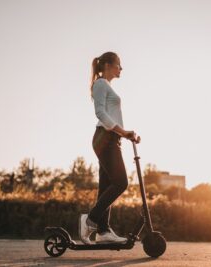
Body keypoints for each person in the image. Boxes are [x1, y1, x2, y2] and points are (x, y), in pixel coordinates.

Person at [79, 52, 139, 244]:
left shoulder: (106, 86)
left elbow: (110, 114)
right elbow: (100, 113)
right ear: (108, 65)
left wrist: (125, 135)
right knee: (121, 183)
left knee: (107, 185)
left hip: (111, 139)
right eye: (119, 65)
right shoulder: (100, 84)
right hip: (105, 138)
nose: (121, 69)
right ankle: (90, 220)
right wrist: (123, 131)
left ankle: (103, 232)